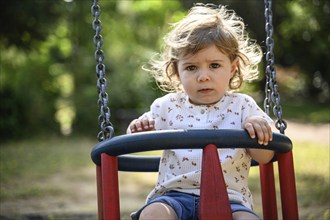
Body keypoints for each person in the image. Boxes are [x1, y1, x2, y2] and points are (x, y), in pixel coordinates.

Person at [128, 3, 274, 220]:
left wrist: (258, 131)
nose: (203, 76)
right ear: (176, 72)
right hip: (173, 196)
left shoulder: (244, 107)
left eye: (214, 65)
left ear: (232, 68)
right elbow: (137, 138)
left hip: (230, 199)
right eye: (191, 67)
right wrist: (139, 128)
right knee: (153, 214)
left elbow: (265, 157)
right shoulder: (167, 106)